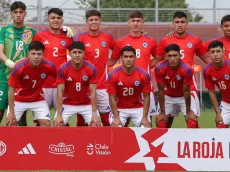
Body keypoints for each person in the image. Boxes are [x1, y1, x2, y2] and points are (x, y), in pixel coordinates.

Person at [0, 1, 73, 126]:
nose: (18, 15)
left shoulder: (32, 33)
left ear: (25, 14)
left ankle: (28, 142)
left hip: (32, 79)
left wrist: (64, 29)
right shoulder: (5, 30)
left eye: (21, 12)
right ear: (11, 14)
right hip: (6, 75)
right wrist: (8, 62)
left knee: (24, 115)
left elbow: (73, 52)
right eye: (15, 12)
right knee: (2, 112)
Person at [153, 11, 211, 128]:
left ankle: (195, 145)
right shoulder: (165, 40)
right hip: (169, 88)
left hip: (188, 87)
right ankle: (166, 146)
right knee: (162, 123)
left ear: (187, 24)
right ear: (173, 24)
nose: (180, 25)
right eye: (177, 22)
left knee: (192, 122)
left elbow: (207, 58)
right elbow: (157, 60)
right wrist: (138, 68)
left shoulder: (195, 40)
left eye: (182, 22)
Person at [108, 10, 158, 125]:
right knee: (122, 123)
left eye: (138, 21)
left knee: (146, 123)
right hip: (124, 86)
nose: (136, 24)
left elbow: (159, 57)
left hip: (143, 84)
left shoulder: (150, 41)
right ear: (129, 23)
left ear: (143, 22)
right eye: (133, 21)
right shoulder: (121, 42)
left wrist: (147, 65)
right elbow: (113, 60)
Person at [73, 10, 116, 126]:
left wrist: (110, 62)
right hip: (85, 84)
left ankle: (107, 143)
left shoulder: (107, 37)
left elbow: (118, 49)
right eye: (91, 20)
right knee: (82, 119)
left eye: (96, 19)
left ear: (100, 21)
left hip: (103, 85)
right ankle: (81, 143)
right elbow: (73, 54)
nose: (94, 22)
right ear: (87, 22)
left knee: (106, 118)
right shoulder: (80, 37)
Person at [6, 41, 56, 126]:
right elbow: (11, 90)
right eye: (33, 54)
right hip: (19, 99)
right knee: (11, 123)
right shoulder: (19, 67)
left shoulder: (49, 66)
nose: (36, 57)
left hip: (37, 99)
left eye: (39, 54)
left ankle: (37, 139)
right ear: (28, 54)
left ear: (43, 55)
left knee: (46, 124)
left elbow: (61, 79)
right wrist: (11, 112)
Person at [32, 8, 73, 111]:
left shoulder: (67, 36)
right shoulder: (39, 36)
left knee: (62, 119)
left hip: (61, 83)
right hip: (43, 83)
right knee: (41, 120)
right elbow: (32, 56)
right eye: (53, 18)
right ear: (48, 19)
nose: (56, 20)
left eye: (58, 18)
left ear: (62, 21)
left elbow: (76, 54)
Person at [54, 41, 101, 127]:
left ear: (84, 54)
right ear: (70, 54)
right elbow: (60, 91)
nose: (77, 55)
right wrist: (59, 114)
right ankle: (63, 141)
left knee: (96, 125)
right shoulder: (63, 68)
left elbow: (93, 92)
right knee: (58, 124)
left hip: (86, 104)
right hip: (67, 103)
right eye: (74, 52)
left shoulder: (91, 68)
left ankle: (91, 141)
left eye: (80, 52)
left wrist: (94, 114)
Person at [154, 44, 198, 128]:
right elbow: (161, 91)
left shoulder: (187, 69)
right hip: (168, 96)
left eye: (175, 55)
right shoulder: (159, 68)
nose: (172, 59)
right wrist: (162, 112)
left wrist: (188, 112)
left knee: (192, 123)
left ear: (180, 56)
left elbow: (186, 91)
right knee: (161, 123)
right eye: (170, 56)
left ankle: (195, 140)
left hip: (184, 96)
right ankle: (166, 141)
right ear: (166, 56)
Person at [107, 46, 151, 127]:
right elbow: (111, 97)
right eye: (125, 57)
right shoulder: (113, 75)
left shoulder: (143, 74)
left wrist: (145, 117)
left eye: (131, 56)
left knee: (145, 128)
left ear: (135, 58)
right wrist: (116, 117)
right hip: (120, 108)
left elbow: (146, 97)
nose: (128, 59)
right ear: (121, 58)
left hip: (138, 108)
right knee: (116, 127)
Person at [203, 40, 230, 128]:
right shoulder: (207, 70)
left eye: (218, 51)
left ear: (223, 52)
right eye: (212, 52)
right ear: (209, 54)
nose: (215, 54)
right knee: (220, 127)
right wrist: (218, 113)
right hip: (226, 103)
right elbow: (211, 92)